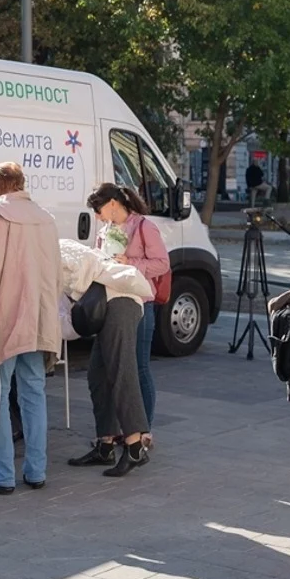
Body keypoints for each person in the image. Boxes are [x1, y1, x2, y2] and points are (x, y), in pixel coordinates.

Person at [0, 162, 63, 495]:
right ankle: (37, 471)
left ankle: (1, 474)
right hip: (37, 318)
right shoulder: (46, 218)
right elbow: (55, 274)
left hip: (5, 319)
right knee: (34, 393)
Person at [62, 222, 157, 478]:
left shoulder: (58, 253)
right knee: (98, 376)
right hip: (110, 302)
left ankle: (135, 446)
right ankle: (105, 445)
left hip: (122, 302)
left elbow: (82, 281)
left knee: (121, 372)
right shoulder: (53, 253)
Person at [87, 183, 170, 444]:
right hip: (113, 303)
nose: (98, 217)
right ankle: (117, 433)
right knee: (113, 369)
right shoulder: (105, 231)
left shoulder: (144, 227)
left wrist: (130, 263)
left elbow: (162, 264)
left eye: (99, 210)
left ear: (113, 203)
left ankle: (143, 431)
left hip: (140, 304)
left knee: (138, 366)